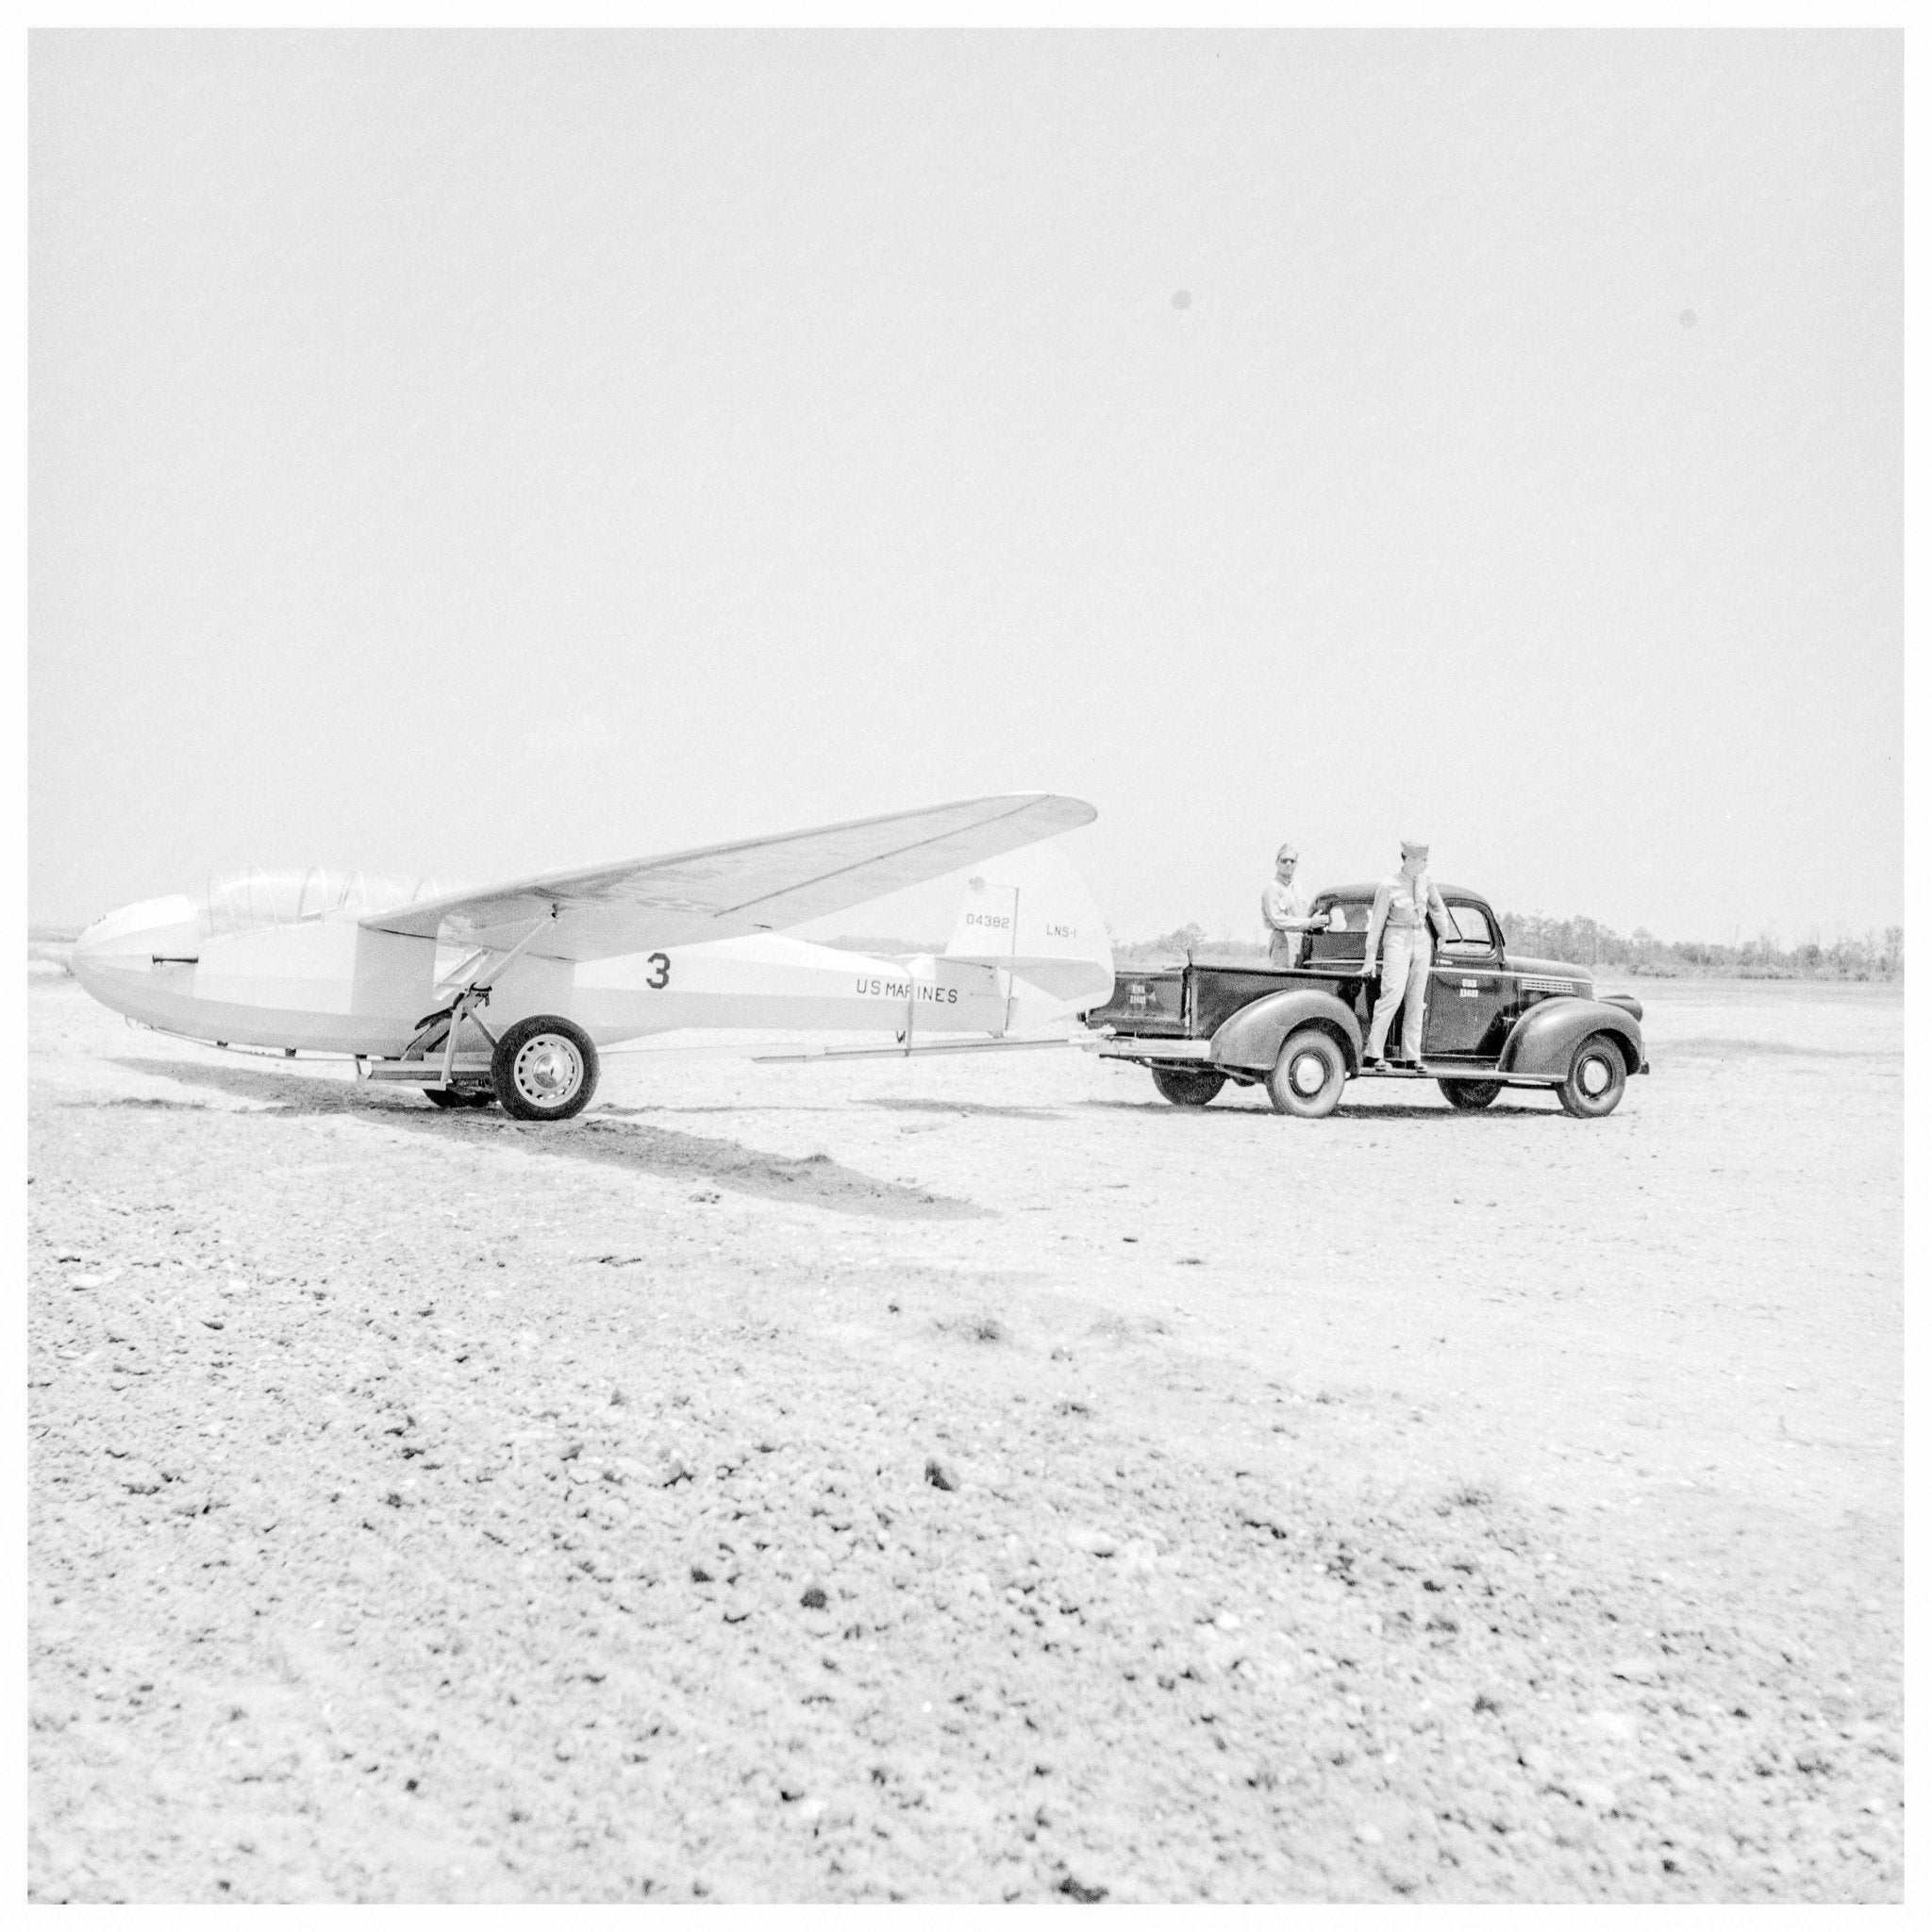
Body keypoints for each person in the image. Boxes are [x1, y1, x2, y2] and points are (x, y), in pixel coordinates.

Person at [1361, 840, 1453, 1070]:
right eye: (1422, 860)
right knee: (1392, 993)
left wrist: (1443, 933)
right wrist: (1370, 958)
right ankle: (1374, 1053)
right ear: (1409, 859)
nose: (1425, 864)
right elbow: (1377, 924)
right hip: (1397, 937)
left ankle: (1413, 1056)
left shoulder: (1426, 881)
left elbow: (1437, 907)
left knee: (1416, 999)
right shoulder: (1389, 886)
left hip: (1421, 938)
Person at [1259, 843, 1324, 966]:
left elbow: (1303, 913)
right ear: (1277, 863)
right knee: (1285, 981)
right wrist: (1309, 923)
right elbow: (1278, 920)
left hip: (1300, 940)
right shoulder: (1272, 889)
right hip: (1282, 940)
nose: (1288, 864)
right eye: (1284, 861)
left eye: (1292, 861)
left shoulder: (1296, 887)